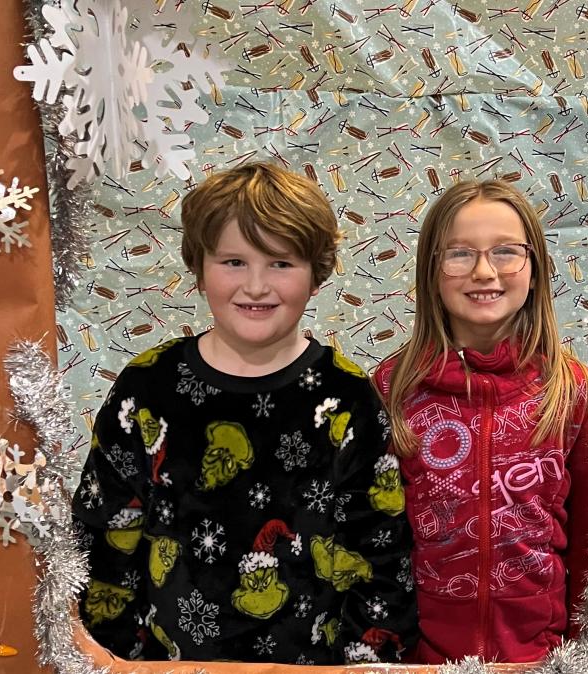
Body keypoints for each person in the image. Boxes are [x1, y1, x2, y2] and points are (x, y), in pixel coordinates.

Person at [72, 162, 417, 664]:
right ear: (199, 266)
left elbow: (380, 552)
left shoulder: (348, 398)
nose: (256, 286)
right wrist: (116, 656)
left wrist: (364, 662)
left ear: (316, 273)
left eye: (281, 263)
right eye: (234, 261)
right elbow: (104, 533)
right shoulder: (147, 386)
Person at [373, 179, 588, 663]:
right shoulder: (393, 388)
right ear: (431, 272)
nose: (483, 271)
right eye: (459, 254)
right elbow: (377, 539)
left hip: (541, 658)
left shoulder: (574, 392)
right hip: (422, 660)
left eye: (505, 252)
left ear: (535, 269)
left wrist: (583, 652)